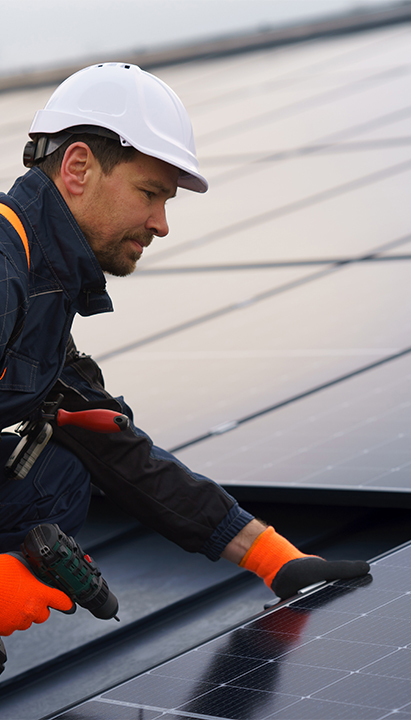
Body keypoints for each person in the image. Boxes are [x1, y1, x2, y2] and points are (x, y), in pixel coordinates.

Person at [0, 63, 369, 640]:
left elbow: (115, 448)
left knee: (60, 472)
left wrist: (270, 556)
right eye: (150, 194)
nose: (162, 224)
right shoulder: (4, 276)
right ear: (78, 168)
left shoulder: (40, 291)